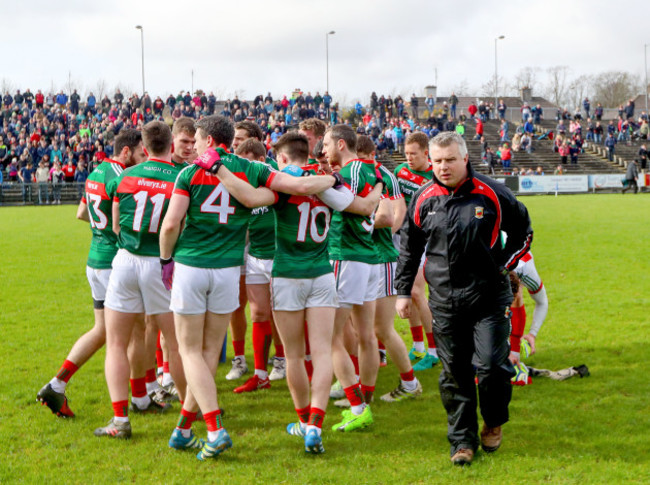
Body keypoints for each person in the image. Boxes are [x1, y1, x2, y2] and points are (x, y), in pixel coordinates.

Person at [395, 131, 533, 466]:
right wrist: (402, 292)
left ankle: (494, 421)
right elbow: (409, 249)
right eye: (438, 161)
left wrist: (504, 264)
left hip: (488, 298)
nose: (443, 167)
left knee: (491, 367)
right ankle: (463, 442)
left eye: (450, 160)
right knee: (454, 372)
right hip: (443, 300)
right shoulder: (424, 198)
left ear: (465, 158)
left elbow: (523, 232)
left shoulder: (493, 194)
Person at [37, 130, 146, 418]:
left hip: (95, 261)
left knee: (103, 331)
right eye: (140, 153)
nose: (143, 158)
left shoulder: (96, 172)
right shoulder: (121, 177)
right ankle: (140, 400)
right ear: (126, 152)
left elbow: (81, 213)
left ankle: (57, 384)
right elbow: (125, 224)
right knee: (134, 331)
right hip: (114, 264)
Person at [94, 121, 188, 439]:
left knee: (117, 343)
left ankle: (120, 420)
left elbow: (118, 226)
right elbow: (180, 223)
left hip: (125, 261)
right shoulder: (179, 177)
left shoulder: (126, 176)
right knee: (175, 343)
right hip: (160, 263)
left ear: (144, 148)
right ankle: (192, 409)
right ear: (171, 146)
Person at [393, 133, 438, 370]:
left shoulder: (435, 176)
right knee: (406, 292)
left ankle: (434, 350)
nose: (409, 159)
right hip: (401, 238)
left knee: (416, 292)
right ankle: (419, 347)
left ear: (425, 154)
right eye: (406, 153)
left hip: (424, 240)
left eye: (414, 154)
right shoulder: (400, 171)